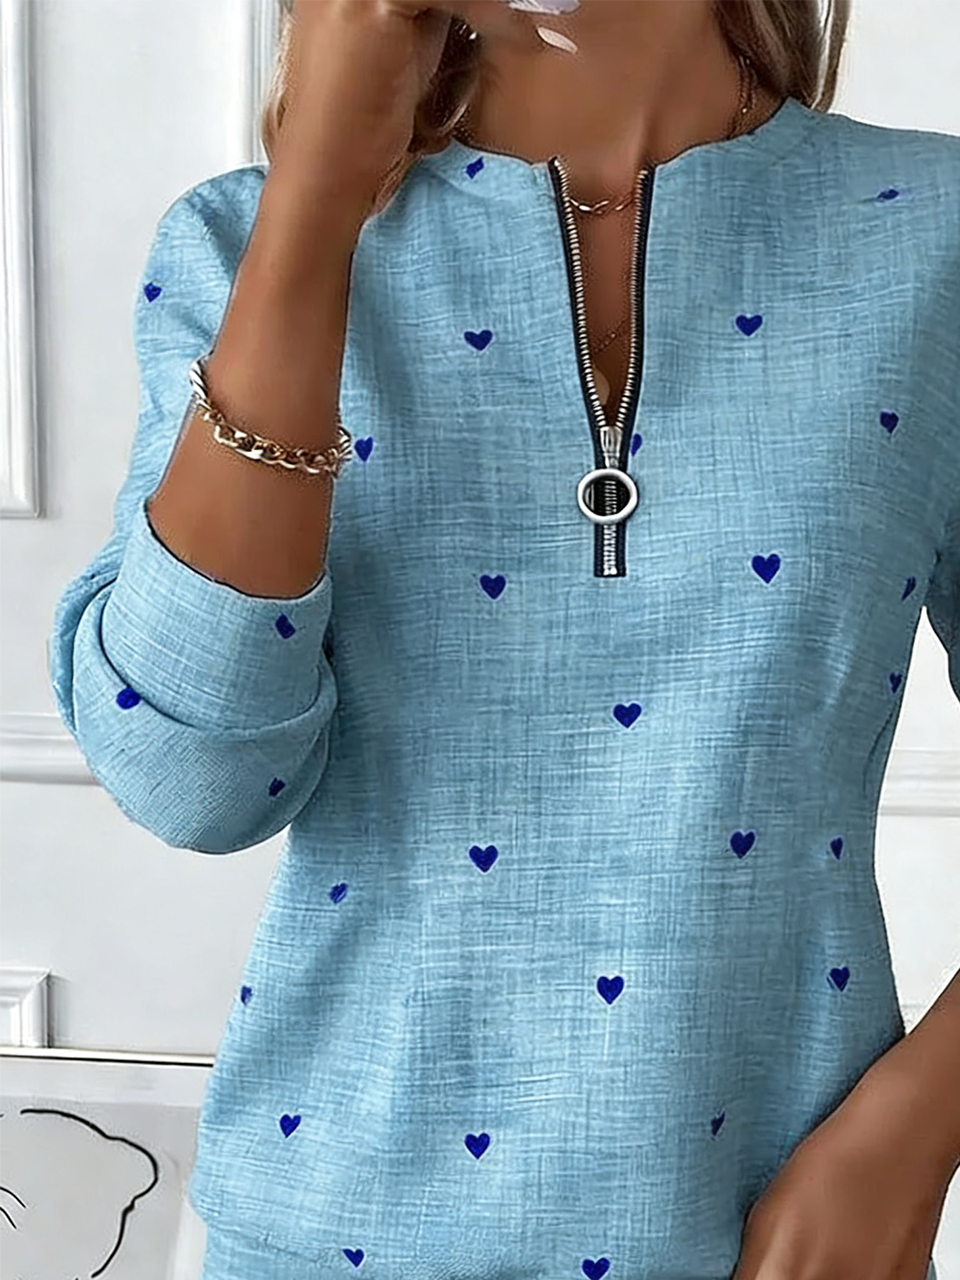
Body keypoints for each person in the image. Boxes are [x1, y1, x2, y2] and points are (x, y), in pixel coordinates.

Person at [48, 0, 960, 1276]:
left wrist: (912, 1130)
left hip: (770, 1234)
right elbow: (193, 777)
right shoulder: (236, 244)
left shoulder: (933, 234)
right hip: (323, 1232)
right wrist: (318, 194)